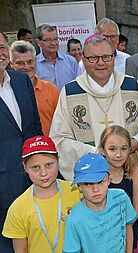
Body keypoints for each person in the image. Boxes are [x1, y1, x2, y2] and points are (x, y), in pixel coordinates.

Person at [49, 34, 138, 181]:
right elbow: (59, 139)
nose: (100, 63)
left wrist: (134, 143)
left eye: (106, 57)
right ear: (84, 60)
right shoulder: (71, 92)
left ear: (114, 58)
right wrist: (97, 152)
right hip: (91, 180)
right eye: (93, 58)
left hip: (129, 175)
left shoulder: (131, 86)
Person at [0, 31, 42, 253]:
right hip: (3, 188)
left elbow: (35, 127)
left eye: (1, 47)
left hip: (34, 179)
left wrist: (43, 164)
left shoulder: (20, 80)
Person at [2, 135, 81, 253]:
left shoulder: (77, 191)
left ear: (58, 161)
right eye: (35, 167)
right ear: (25, 168)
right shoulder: (18, 208)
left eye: (49, 165)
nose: (43, 173)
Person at [63, 153, 138, 253]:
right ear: (79, 187)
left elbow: (128, 226)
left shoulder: (121, 197)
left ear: (109, 180)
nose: (95, 189)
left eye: (100, 182)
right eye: (88, 184)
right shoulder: (74, 219)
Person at [98, 125, 138, 253]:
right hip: (105, 234)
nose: (118, 154)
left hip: (132, 231)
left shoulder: (134, 170)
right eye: (112, 149)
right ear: (102, 150)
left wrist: (125, 226)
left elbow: (137, 207)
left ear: (130, 149)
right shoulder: (98, 174)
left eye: (123, 149)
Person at [9, 40, 59, 136]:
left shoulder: (51, 89)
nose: (26, 67)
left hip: (50, 147)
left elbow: (62, 123)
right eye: (20, 63)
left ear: (36, 61)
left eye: (30, 62)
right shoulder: (7, 93)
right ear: (11, 64)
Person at [35, 24, 79, 90]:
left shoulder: (70, 61)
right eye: (48, 40)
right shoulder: (34, 64)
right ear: (39, 42)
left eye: (55, 39)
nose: (53, 43)